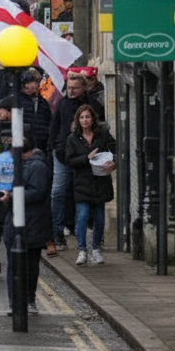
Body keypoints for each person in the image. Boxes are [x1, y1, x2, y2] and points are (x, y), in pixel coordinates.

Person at [49, 72, 105, 252]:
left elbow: (101, 131)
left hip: (86, 158)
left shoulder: (94, 106)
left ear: (84, 88)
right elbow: (54, 127)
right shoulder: (63, 104)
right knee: (58, 191)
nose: (71, 91)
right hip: (62, 155)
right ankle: (57, 232)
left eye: (75, 88)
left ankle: (90, 233)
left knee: (84, 193)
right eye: (69, 88)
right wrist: (53, 147)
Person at [0, 131, 51, 315]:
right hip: (15, 223)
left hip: (33, 223)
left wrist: (12, 195)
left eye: (12, 149)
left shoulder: (37, 166)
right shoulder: (17, 164)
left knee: (29, 267)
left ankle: (28, 300)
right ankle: (14, 303)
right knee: (13, 265)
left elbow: (37, 192)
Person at [65, 104, 116, 265]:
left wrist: (113, 163)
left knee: (99, 218)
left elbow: (116, 150)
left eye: (87, 117)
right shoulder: (73, 139)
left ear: (93, 118)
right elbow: (69, 160)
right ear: (77, 120)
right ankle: (82, 250)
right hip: (82, 182)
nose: (85, 120)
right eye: (82, 117)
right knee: (82, 216)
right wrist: (87, 158)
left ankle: (95, 249)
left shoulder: (102, 135)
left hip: (100, 181)